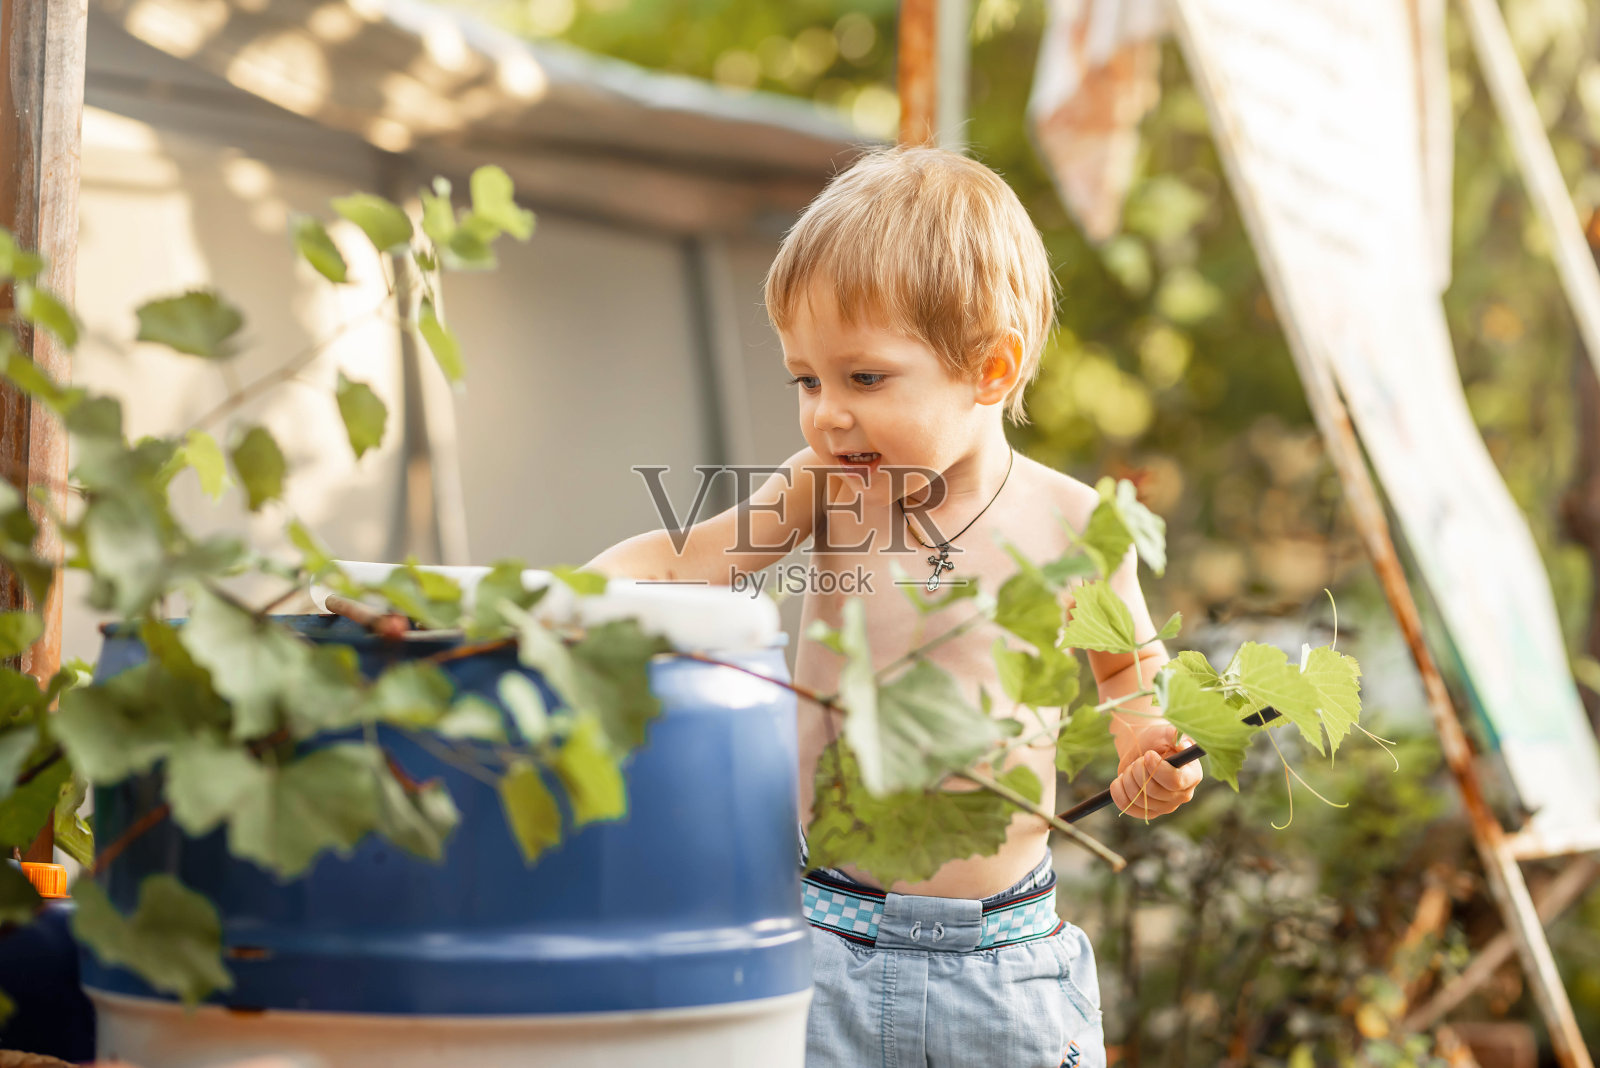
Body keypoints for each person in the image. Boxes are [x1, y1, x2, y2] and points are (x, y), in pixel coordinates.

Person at [584, 145, 1202, 1068]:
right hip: (821, 950)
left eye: (864, 379)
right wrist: (560, 597)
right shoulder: (823, 489)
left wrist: (1154, 759)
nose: (827, 414)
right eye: (807, 379)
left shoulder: (1077, 524)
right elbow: (690, 560)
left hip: (1004, 974)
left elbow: (1134, 690)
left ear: (990, 370)